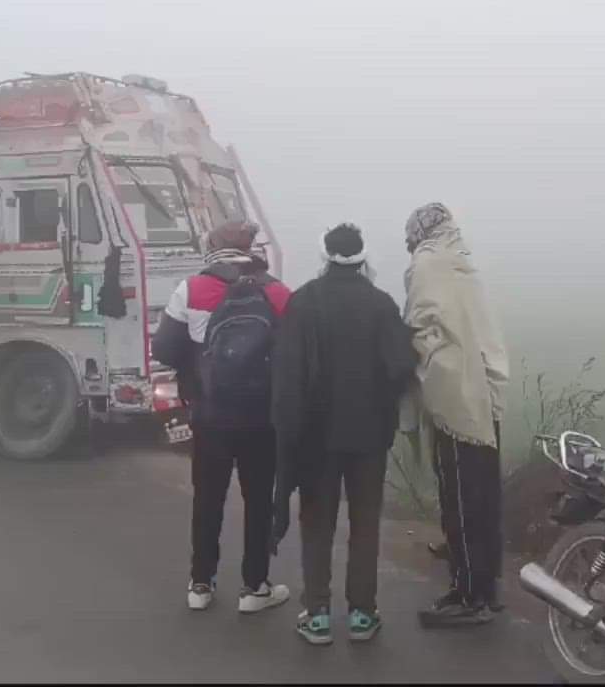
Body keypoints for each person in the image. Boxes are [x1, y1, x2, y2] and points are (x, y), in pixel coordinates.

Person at [270, 223, 417, 646]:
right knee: (365, 523)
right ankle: (362, 615)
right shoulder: (381, 304)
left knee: (317, 523)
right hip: (369, 438)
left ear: (325, 255)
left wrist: (288, 432)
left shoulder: (303, 303)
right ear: (362, 256)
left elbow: (287, 375)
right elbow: (400, 367)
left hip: (316, 439)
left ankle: (316, 614)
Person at [151, 220, 293, 614]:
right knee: (259, 500)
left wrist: (196, 367)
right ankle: (255, 588)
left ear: (213, 246)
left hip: (210, 414)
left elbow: (163, 348)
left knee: (208, 497)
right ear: (250, 249)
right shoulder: (277, 291)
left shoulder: (192, 288)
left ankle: (200, 584)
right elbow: (293, 354)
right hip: (262, 417)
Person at [399, 202, 510, 627]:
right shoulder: (463, 266)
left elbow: (423, 330)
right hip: (483, 395)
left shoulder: (428, 267)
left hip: (456, 399)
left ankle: (469, 597)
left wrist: (409, 354)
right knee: (482, 496)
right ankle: (487, 586)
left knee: (462, 499)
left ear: (419, 234)